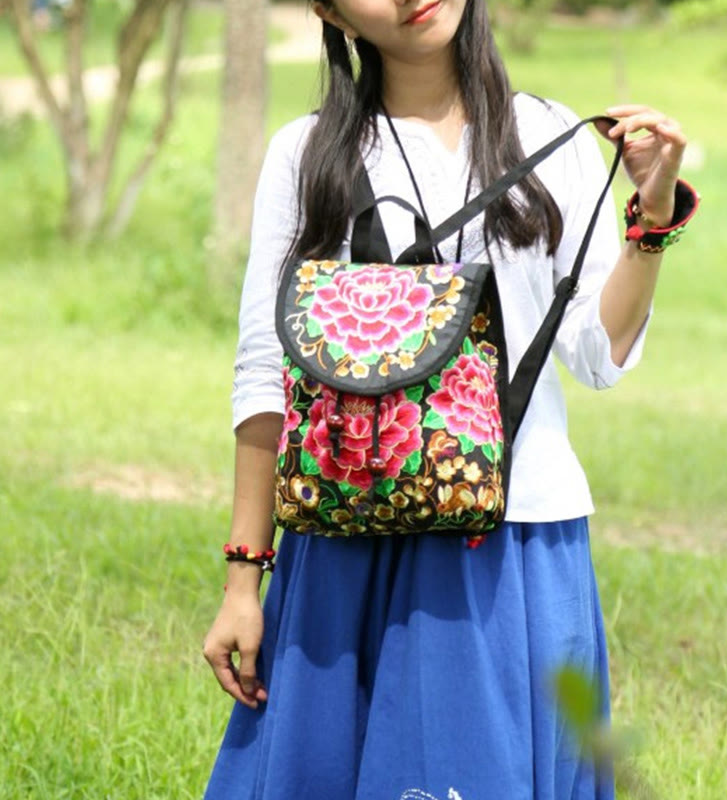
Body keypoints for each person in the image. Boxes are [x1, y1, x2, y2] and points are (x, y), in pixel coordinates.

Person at [202, 0, 695, 797]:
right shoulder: (306, 154)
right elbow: (267, 375)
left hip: (512, 544)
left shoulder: (551, 139)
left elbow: (599, 357)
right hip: (344, 543)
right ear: (333, 14)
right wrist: (242, 582)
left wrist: (654, 219)